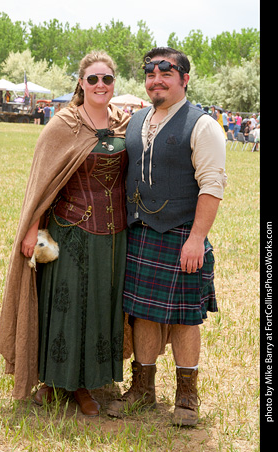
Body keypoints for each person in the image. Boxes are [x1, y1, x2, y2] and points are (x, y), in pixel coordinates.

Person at [0, 51, 130, 416]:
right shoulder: (64, 124)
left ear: (113, 83)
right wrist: (31, 229)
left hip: (114, 238)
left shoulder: (124, 123)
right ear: (81, 83)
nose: (101, 85)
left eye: (107, 79)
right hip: (70, 234)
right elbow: (43, 183)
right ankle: (56, 381)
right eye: (93, 79)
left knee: (102, 307)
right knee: (66, 307)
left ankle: (89, 382)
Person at [107, 47, 227, 426]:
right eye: (150, 73)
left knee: (185, 318)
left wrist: (196, 238)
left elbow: (212, 185)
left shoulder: (202, 124)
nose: (156, 79)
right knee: (141, 314)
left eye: (166, 72)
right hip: (140, 232)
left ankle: (187, 397)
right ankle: (143, 388)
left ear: (184, 79)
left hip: (180, 235)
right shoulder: (138, 118)